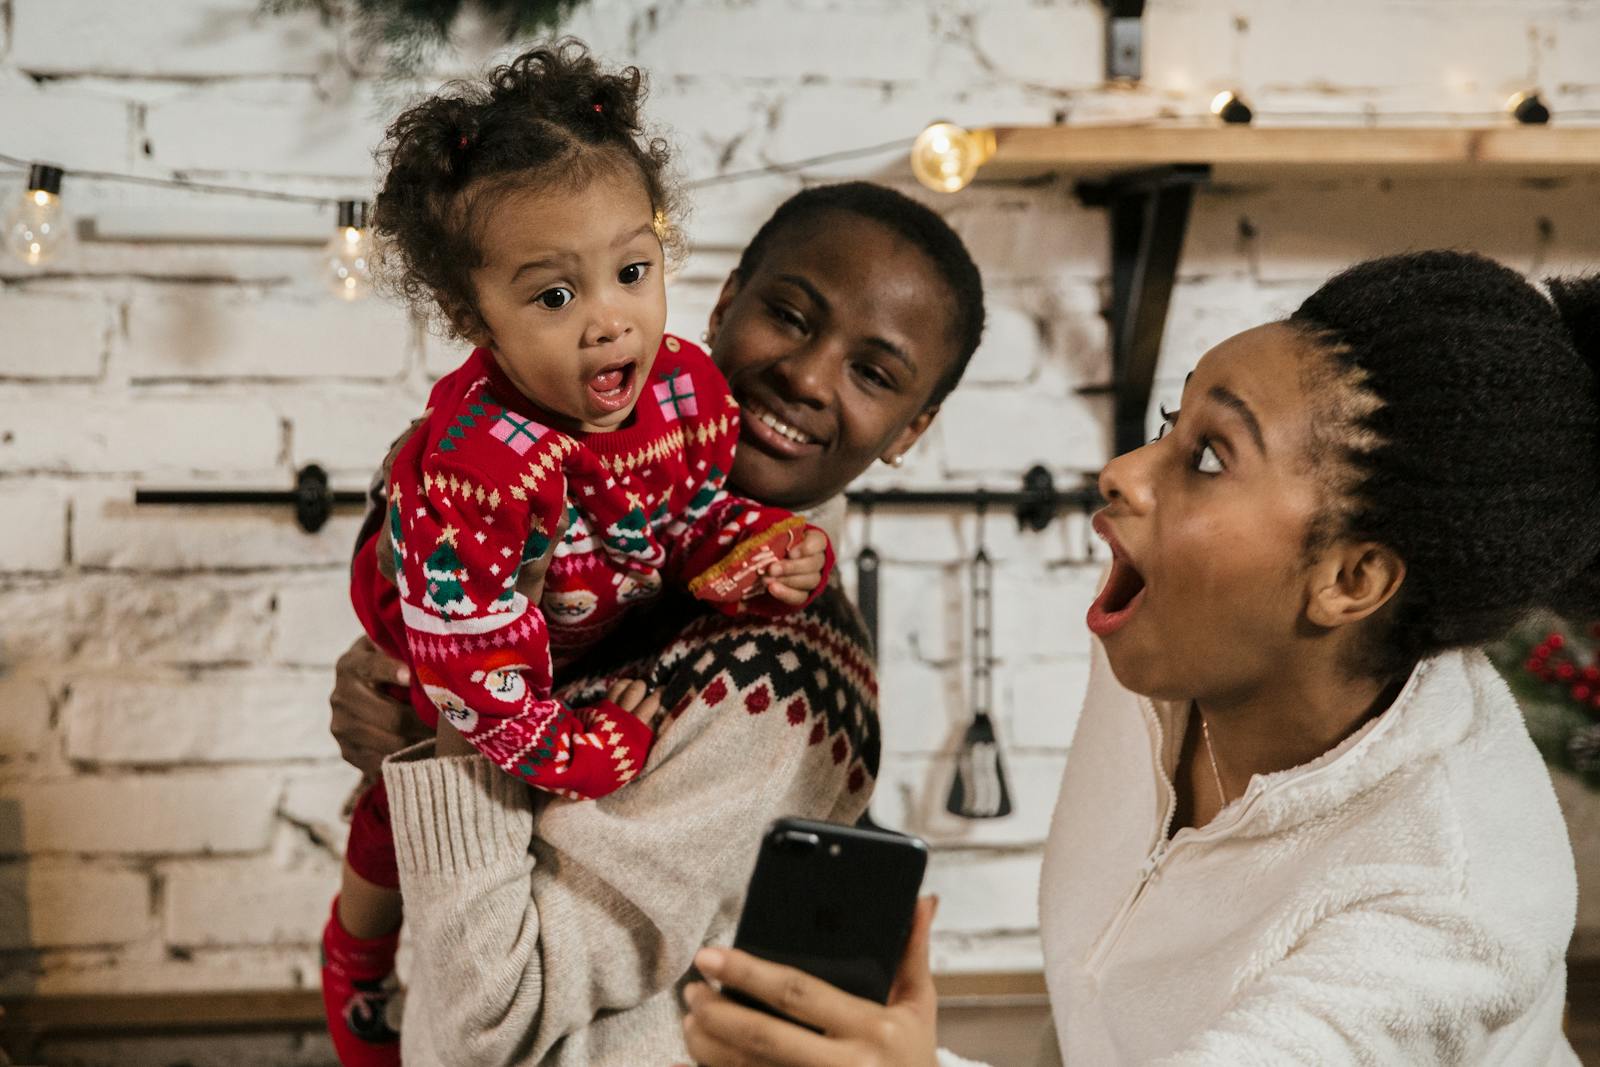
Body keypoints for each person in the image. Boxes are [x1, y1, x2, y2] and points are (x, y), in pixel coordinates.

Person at [679, 251, 1596, 1066]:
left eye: (1206, 458)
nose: (1123, 467)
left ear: (1352, 578)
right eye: (1170, 416)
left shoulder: (1453, 898)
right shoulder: (1169, 646)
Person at [327, 178, 988, 1064]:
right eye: (790, 316)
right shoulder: (608, 503)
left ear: (913, 428)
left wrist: (448, 725)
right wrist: (410, 669)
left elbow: (493, 1019)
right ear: (723, 302)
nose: (805, 373)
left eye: (873, 372)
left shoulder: (780, 673)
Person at [319, 42, 836, 1065]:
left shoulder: (683, 388)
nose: (609, 319)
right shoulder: (482, 467)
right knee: (408, 775)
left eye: (632, 271)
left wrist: (757, 546)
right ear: (476, 320)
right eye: (553, 297)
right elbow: (475, 666)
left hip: (567, 598)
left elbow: (684, 518)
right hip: (449, 613)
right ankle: (357, 956)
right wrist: (570, 749)